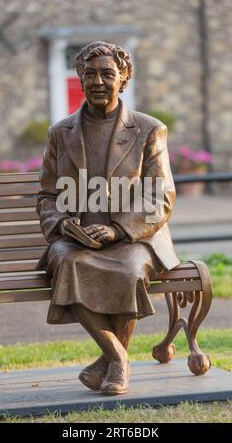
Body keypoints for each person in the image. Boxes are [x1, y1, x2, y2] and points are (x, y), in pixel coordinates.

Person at [36, 41, 179, 395]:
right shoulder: (60, 133)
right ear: (80, 80)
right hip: (76, 240)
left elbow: (160, 195)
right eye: (89, 74)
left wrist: (118, 230)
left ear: (124, 79)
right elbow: (47, 196)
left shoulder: (148, 130)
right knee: (66, 262)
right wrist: (62, 223)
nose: (98, 81)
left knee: (130, 271)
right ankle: (118, 356)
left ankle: (110, 363)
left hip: (135, 238)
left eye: (108, 74)